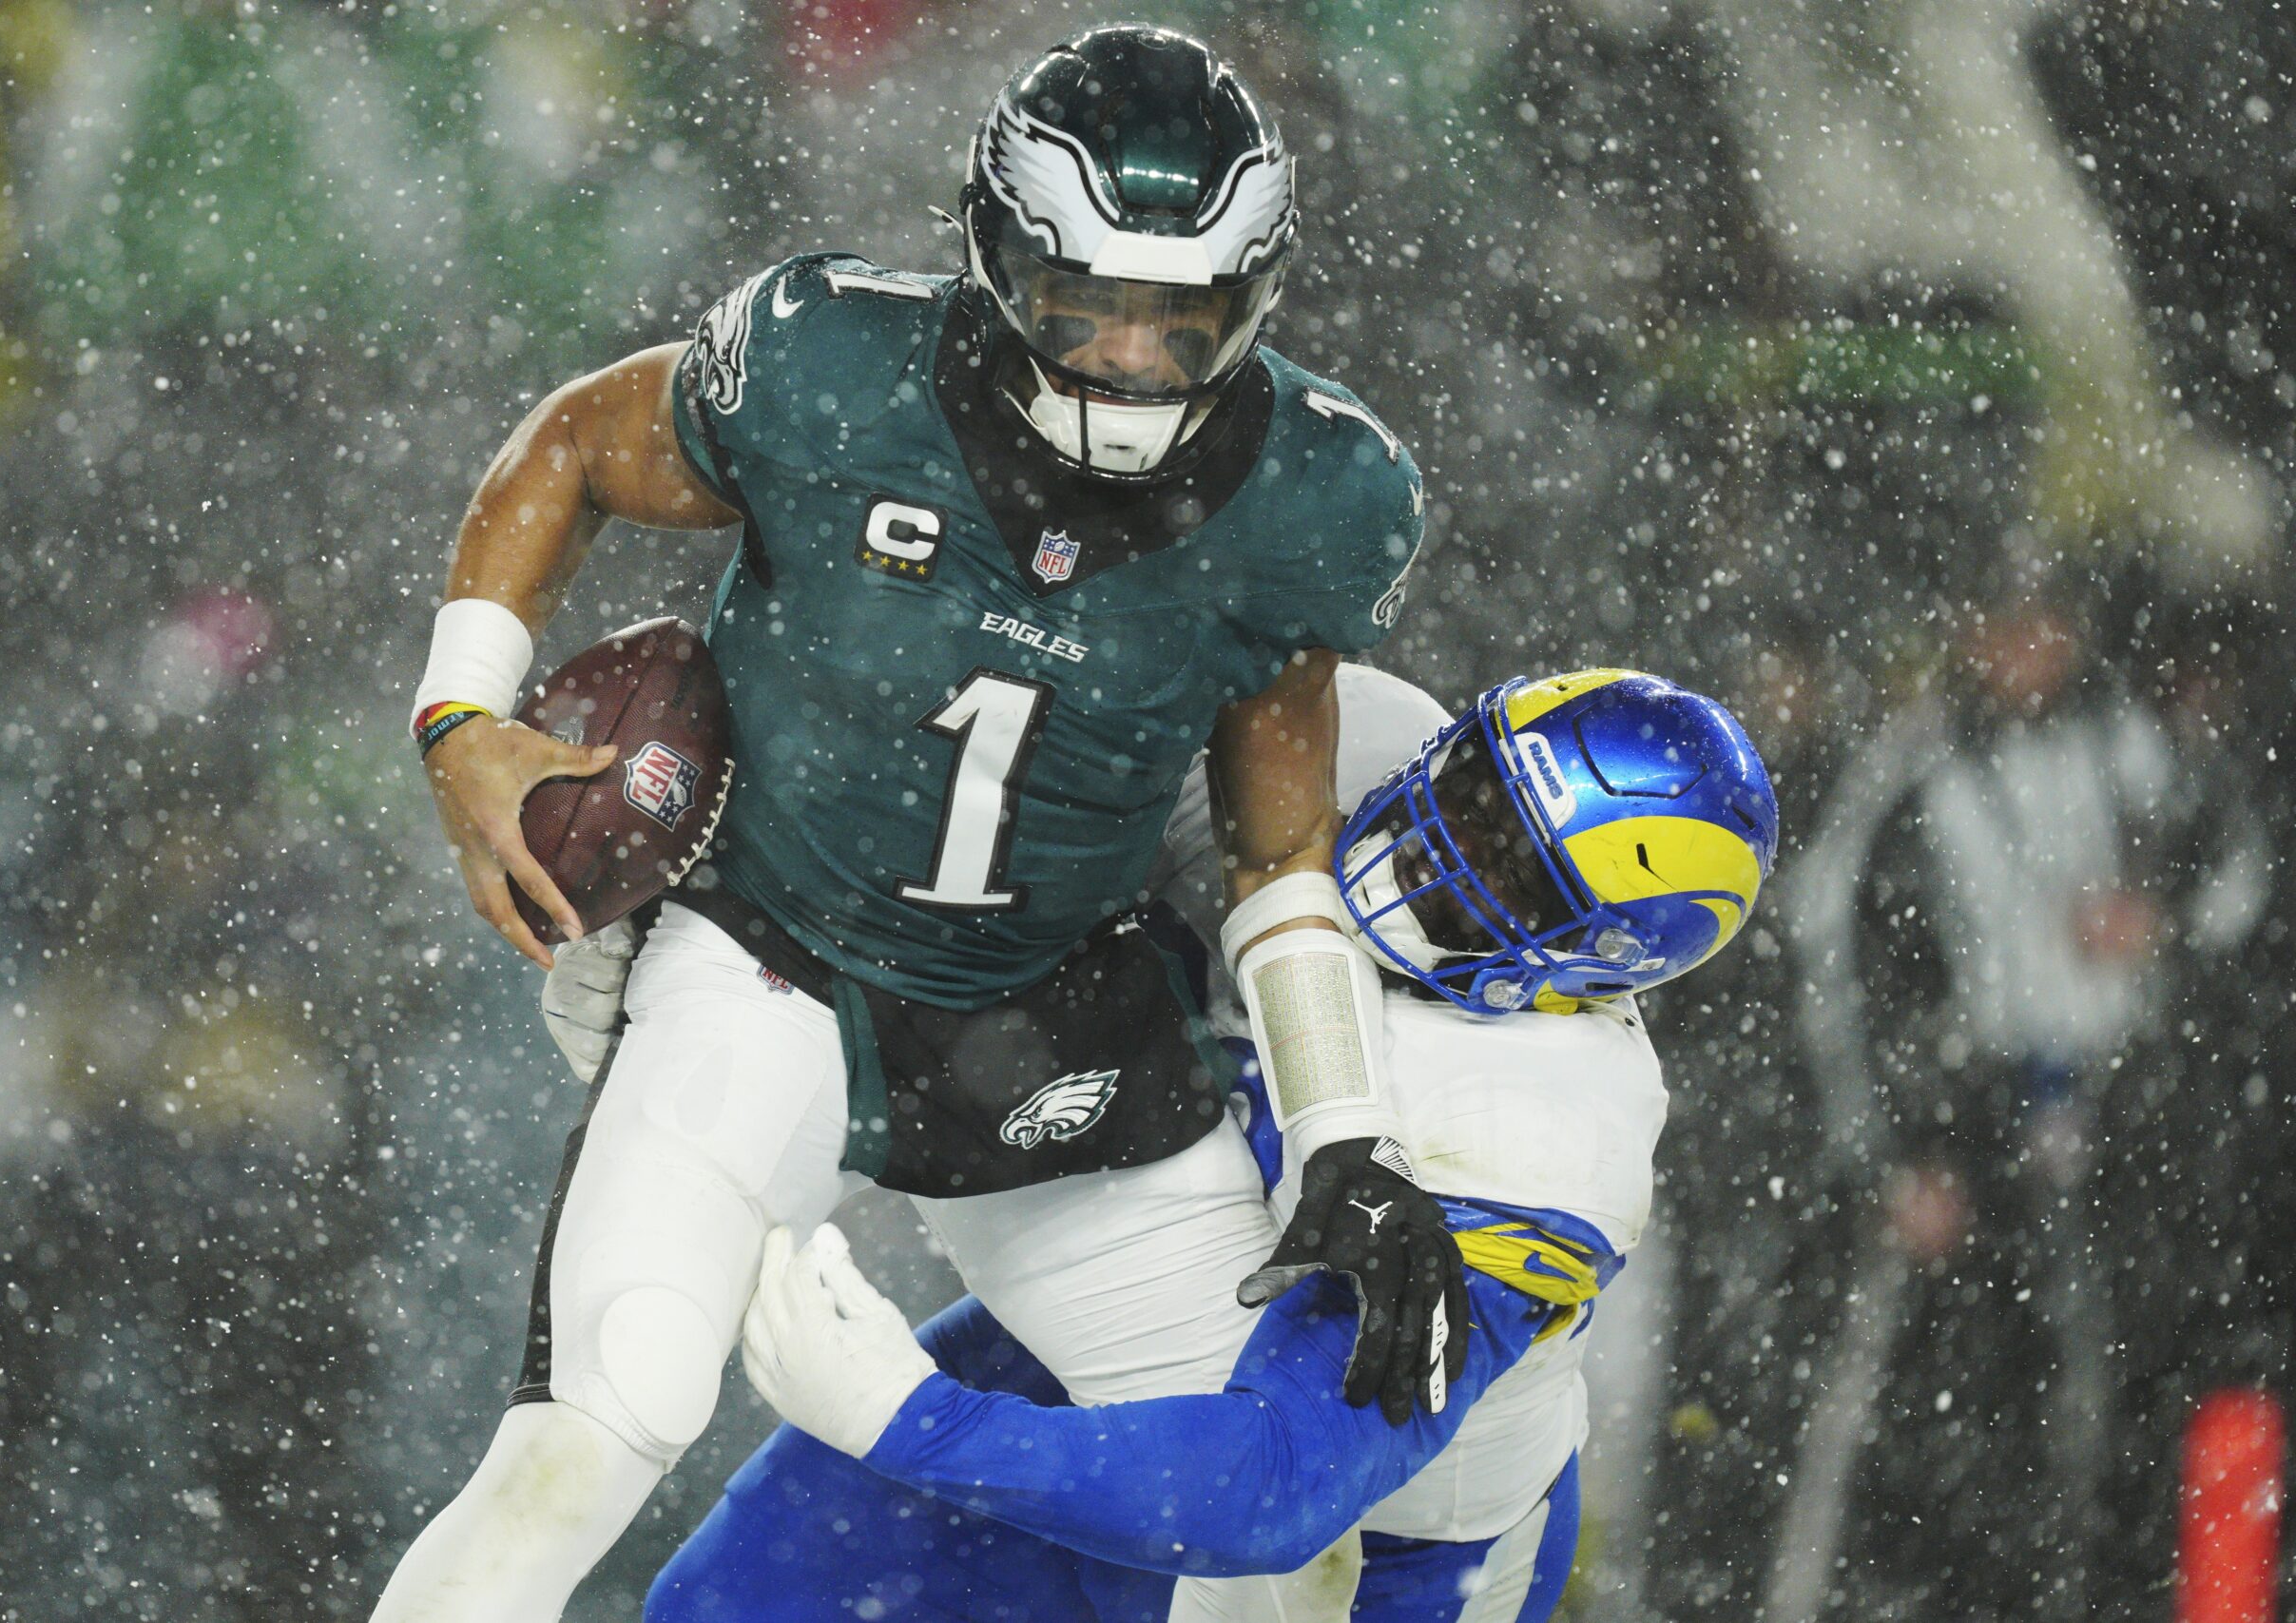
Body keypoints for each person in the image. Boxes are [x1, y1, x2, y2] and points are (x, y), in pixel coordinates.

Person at [375, 28, 1455, 1623]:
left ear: (1255, 297)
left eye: (1182, 315)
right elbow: (575, 444)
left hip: (1060, 1008)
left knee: (1279, 1536)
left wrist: (1350, 1134)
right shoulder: (830, 364)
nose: (1132, 358)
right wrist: (464, 714)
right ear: (999, 257)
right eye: (1088, 301)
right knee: (591, 1432)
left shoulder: (1316, 491)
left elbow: (1274, 846)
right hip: (769, 965)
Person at [610, 667, 1779, 1623]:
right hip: (1149, 1301)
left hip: (1375, 1541)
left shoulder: (1540, 1143)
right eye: (1473, 787)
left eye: (1512, 873)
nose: (1439, 847)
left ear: (1591, 965)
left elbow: (1272, 1488)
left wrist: (907, 1420)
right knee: (728, 1607)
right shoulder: (1356, 735)